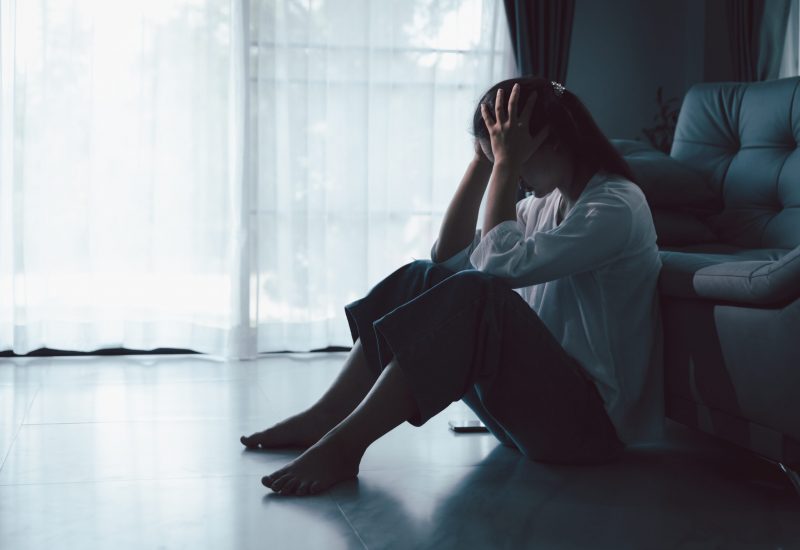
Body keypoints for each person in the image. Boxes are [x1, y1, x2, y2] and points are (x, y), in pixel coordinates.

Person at [240, 76, 664, 497]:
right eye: (501, 158)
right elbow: (449, 257)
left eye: (515, 159)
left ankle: (346, 446)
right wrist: (483, 162)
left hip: (588, 429)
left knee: (480, 294)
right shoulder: (545, 203)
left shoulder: (615, 206)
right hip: (534, 416)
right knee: (422, 277)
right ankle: (326, 416)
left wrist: (505, 164)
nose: (514, 176)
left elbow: (495, 269)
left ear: (552, 141)